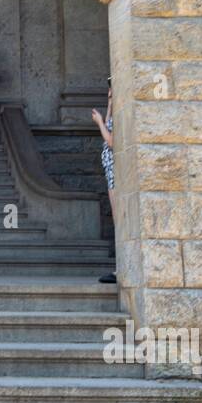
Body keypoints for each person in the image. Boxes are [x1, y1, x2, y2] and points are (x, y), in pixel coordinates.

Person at [92, 78, 116, 284]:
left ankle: (121, 269)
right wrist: (109, 106)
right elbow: (109, 126)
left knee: (119, 220)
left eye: (111, 89)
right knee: (117, 220)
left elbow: (111, 141)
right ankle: (120, 268)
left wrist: (99, 122)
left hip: (116, 173)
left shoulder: (123, 114)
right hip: (110, 171)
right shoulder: (116, 112)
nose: (109, 92)